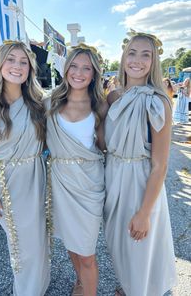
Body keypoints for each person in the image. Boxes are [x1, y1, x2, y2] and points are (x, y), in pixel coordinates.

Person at [0, 41, 50, 296]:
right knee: (20, 243)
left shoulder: (40, 103)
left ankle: (39, 285)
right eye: (11, 60)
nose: (17, 66)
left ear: (30, 69)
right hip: (5, 182)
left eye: (23, 62)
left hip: (36, 178)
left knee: (38, 242)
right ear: (0, 64)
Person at [103, 30, 177, 295]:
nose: (137, 60)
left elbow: (161, 165)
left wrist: (145, 213)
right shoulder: (112, 97)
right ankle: (130, 284)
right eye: (132, 53)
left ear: (153, 61)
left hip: (140, 181)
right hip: (113, 176)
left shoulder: (158, 103)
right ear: (123, 58)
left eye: (146, 55)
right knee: (119, 243)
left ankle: (140, 290)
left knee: (140, 243)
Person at [46, 43, 105, 296]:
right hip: (60, 182)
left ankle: (87, 287)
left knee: (87, 252)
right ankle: (80, 282)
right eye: (74, 66)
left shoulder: (100, 106)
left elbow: (105, 146)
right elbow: (28, 133)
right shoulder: (49, 103)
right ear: (66, 68)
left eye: (86, 68)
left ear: (94, 74)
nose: (79, 73)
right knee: (70, 243)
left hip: (89, 184)